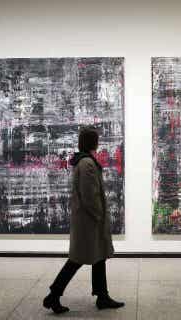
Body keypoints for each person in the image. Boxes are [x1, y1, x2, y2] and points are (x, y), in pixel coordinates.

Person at [43, 126, 125, 314]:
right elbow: (90, 195)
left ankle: (102, 296)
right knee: (77, 259)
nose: (98, 142)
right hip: (89, 221)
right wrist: (99, 215)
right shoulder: (87, 163)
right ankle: (53, 295)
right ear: (92, 142)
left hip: (88, 220)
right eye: (96, 139)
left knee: (98, 257)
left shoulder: (83, 161)